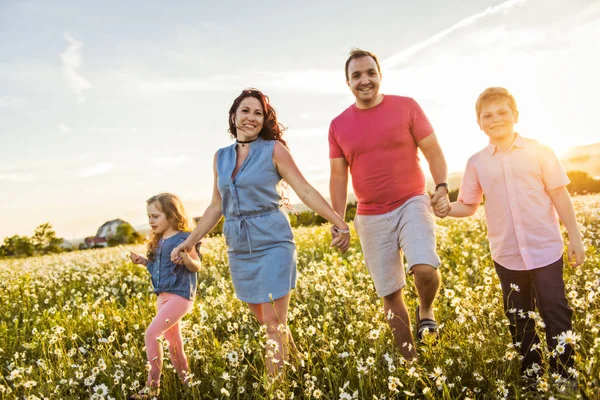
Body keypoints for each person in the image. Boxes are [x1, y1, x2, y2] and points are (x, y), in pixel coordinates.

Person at [171, 88, 350, 376]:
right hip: (239, 246)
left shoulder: (274, 150)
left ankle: (273, 390)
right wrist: (189, 242)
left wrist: (339, 221)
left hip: (273, 241)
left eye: (258, 113)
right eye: (245, 111)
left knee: (273, 325)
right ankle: (301, 368)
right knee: (267, 321)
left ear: (264, 119)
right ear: (233, 116)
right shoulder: (220, 157)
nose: (251, 117)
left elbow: (304, 189)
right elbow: (217, 206)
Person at [438, 87, 585, 388]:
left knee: (556, 312)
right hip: (507, 255)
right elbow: (468, 205)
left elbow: (559, 194)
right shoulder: (476, 162)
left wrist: (576, 237)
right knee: (519, 319)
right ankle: (533, 380)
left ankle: (564, 380)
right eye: (487, 116)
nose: (496, 119)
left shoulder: (540, 151)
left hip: (546, 249)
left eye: (502, 112)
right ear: (479, 123)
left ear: (515, 116)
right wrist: (443, 209)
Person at [328, 48, 450, 361]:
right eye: (357, 75)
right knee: (390, 293)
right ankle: (412, 366)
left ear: (380, 76)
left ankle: (426, 309)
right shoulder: (338, 125)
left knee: (424, 268)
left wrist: (441, 186)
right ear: (348, 82)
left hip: (412, 201)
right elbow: (339, 178)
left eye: (370, 73)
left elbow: (434, 150)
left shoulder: (406, 107)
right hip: (369, 217)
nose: (364, 80)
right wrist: (339, 221)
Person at [128, 193, 202, 399]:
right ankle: (188, 385)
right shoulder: (158, 242)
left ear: (171, 215)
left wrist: (186, 257)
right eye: (148, 217)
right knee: (174, 343)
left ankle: (152, 389)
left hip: (180, 296)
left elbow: (196, 266)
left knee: (151, 334)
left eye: (155, 216)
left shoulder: (184, 238)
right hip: (163, 297)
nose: (150, 221)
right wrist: (144, 262)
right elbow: (158, 269)